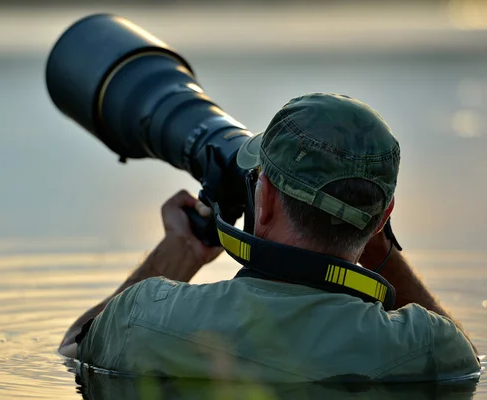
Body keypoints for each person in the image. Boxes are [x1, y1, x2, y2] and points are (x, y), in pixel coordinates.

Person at [59, 93, 480, 382]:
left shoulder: (143, 319)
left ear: (266, 199)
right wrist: (374, 242)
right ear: (382, 218)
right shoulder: (431, 348)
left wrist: (178, 251)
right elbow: (465, 360)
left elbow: (76, 348)